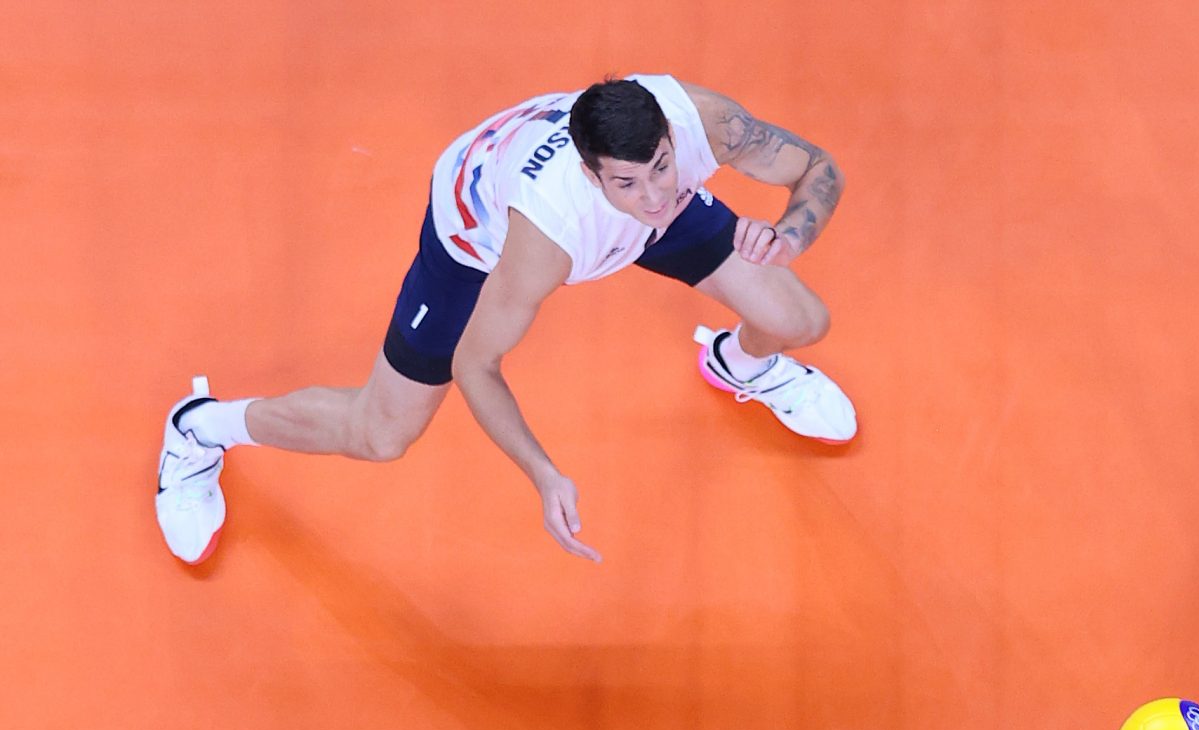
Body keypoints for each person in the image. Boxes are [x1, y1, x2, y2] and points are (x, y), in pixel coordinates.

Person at [154, 75, 854, 566]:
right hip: (473, 229)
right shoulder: (543, 237)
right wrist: (543, 473)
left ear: (670, 137)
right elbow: (475, 365)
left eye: (663, 167)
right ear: (590, 174)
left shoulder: (696, 126)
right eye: (628, 181)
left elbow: (818, 166)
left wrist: (791, 235)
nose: (655, 192)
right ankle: (198, 429)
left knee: (798, 316)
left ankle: (741, 363)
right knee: (380, 433)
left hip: (576, 192)